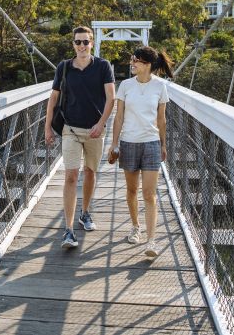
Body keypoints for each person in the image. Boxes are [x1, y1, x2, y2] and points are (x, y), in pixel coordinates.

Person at [45, 26, 115, 248]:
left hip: (95, 130)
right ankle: (68, 230)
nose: (82, 46)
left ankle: (85, 213)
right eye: (78, 42)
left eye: (86, 42)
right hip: (71, 130)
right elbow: (53, 99)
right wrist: (48, 128)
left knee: (90, 172)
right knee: (71, 176)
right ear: (73, 44)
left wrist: (101, 123)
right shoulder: (64, 67)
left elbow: (111, 98)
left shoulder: (103, 66)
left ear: (92, 43)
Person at [109, 46, 173, 258]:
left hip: (151, 143)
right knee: (132, 191)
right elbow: (118, 117)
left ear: (146, 64)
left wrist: (163, 144)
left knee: (149, 193)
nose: (132, 64)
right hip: (128, 142)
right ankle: (136, 227)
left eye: (135, 60)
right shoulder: (126, 85)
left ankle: (151, 240)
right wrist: (114, 143)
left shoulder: (160, 87)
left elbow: (162, 119)